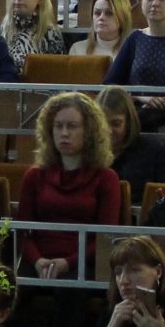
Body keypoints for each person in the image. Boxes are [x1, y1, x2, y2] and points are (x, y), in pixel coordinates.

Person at [15, 92, 122, 282]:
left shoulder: (106, 178)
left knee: (72, 288)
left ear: (89, 131)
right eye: (58, 126)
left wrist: (68, 262)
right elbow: (22, 231)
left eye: (72, 126)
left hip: (83, 262)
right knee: (14, 287)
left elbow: (105, 239)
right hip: (38, 261)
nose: (64, 133)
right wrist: (38, 261)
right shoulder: (34, 175)